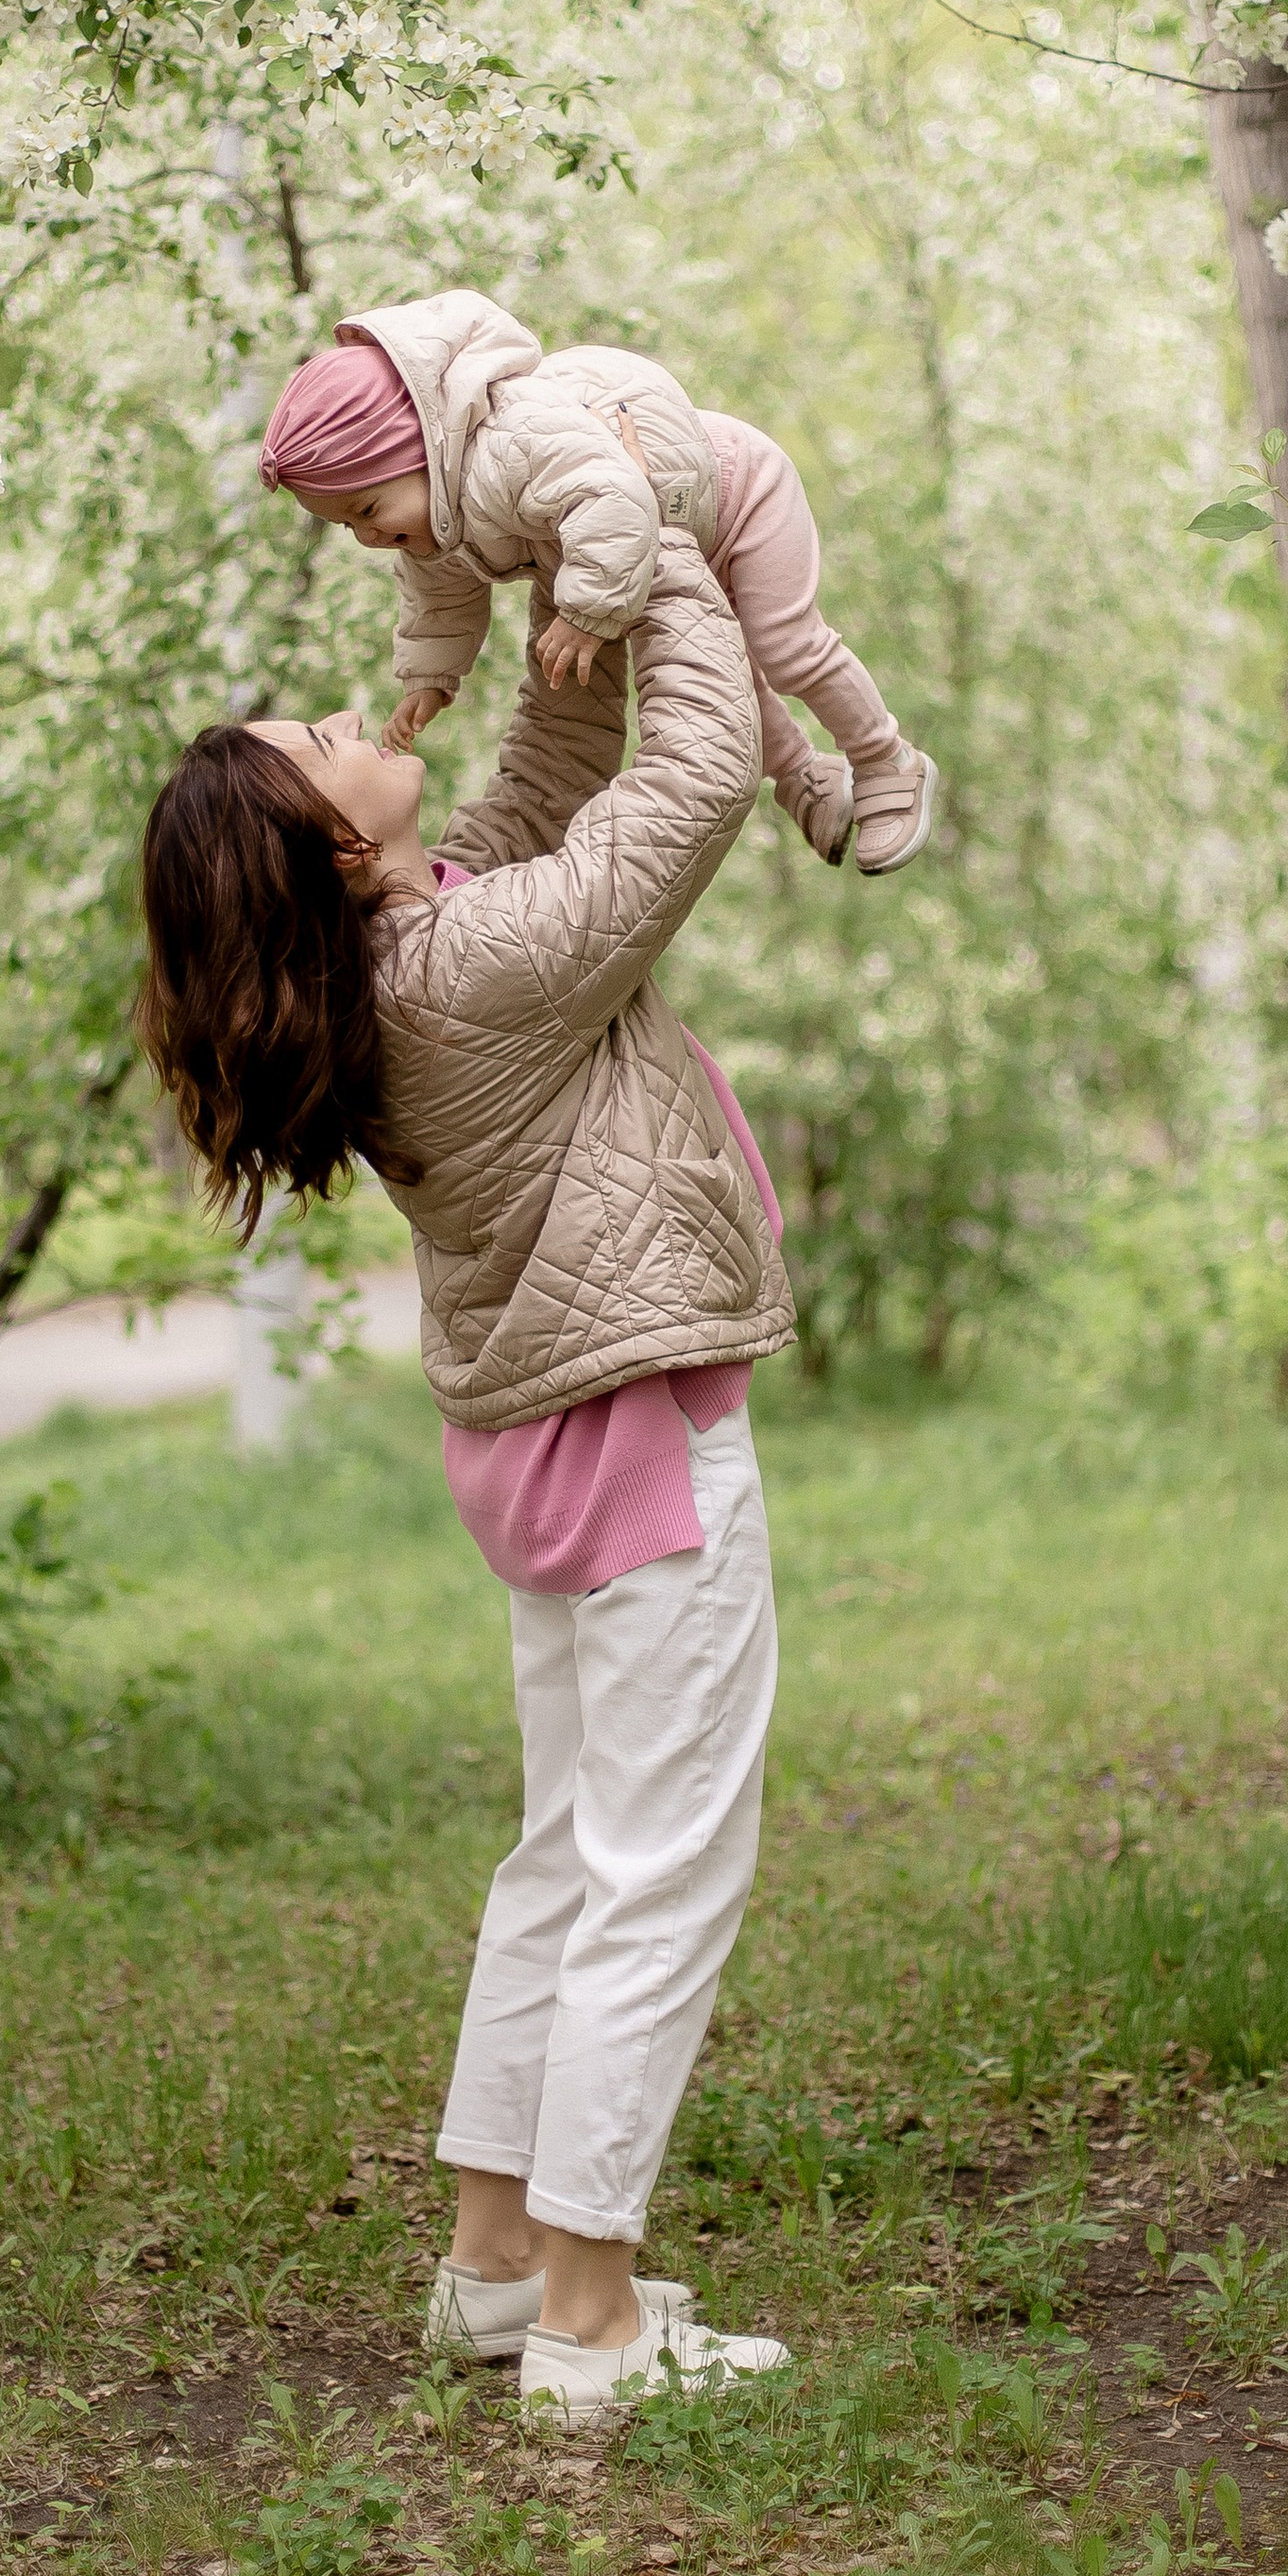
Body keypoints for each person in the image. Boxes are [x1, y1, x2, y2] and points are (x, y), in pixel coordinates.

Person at [139, 534, 797, 2426]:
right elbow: (695, 779)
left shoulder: (411, 942)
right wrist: (674, 556)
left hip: (543, 1444)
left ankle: (498, 2265)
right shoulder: (470, 969)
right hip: (634, 1443)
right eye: (314, 743)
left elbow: (556, 774)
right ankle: (591, 2324)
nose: (341, 712)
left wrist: (545, 593)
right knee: (658, 1871)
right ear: (326, 854)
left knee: (566, 1855)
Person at [255, 284, 941, 878]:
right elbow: (438, 595)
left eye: (368, 510)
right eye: (347, 525)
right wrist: (431, 676)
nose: (369, 536)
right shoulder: (435, 519)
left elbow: (614, 495)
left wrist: (584, 611)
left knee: (785, 646)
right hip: (650, 551)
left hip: (736, 493)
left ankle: (886, 761)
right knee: (721, 670)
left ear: (419, 451)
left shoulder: (511, 442)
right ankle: (803, 777)